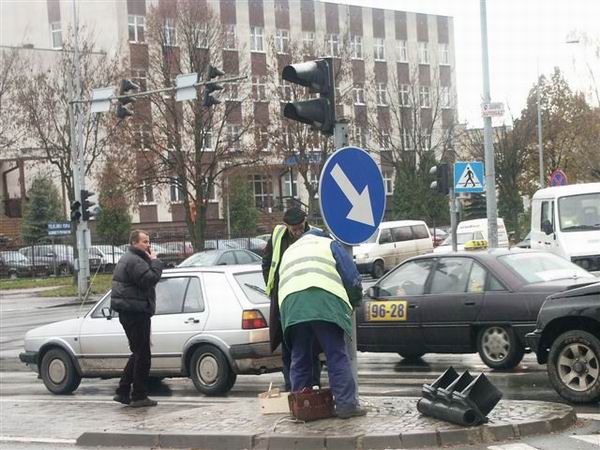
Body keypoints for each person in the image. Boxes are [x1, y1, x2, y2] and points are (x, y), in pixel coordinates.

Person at [278, 229, 366, 419]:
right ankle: (345, 406)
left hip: (292, 307)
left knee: (300, 357)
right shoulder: (329, 244)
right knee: (335, 355)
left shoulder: (290, 250)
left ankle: (302, 408)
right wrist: (354, 301)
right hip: (324, 303)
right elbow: (351, 278)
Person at [262, 207, 320, 391]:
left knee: (310, 348)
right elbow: (266, 263)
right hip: (283, 300)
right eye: (293, 228)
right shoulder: (278, 236)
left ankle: (313, 387)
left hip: (307, 299)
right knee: (287, 347)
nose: (297, 231)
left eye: (300, 226)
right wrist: (275, 288)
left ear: (306, 221)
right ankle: (292, 390)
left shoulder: (315, 236)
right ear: (286, 225)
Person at [110, 230, 164, 408]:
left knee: (138, 352)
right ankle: (139, 395)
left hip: (132, 310)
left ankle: (123, 390)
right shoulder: (134, 260)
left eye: (149, 241)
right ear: (134, 243)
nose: (148, 245)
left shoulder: (132, 258)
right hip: (135, 312)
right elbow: (150, 279)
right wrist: (155, 262)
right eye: (144, 241)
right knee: (143, 355)